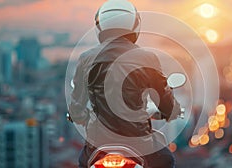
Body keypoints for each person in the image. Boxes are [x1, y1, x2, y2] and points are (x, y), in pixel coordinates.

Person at [68, 0, 181, 167]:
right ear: (134, 25)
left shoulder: (86, 58)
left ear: (100, 26)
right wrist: (172, 110)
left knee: (83, 162)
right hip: (139, 142)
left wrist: (78, 115)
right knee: (167, 160)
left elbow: (76, 105)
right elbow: (164, 99)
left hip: (98, 143)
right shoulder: (148, 58)